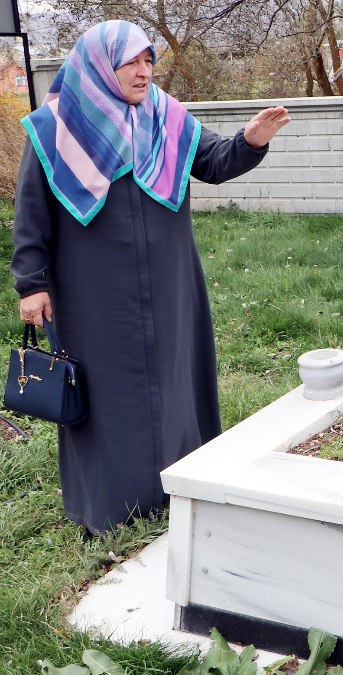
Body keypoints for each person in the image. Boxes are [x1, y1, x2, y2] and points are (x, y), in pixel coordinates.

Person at [10, 20, 290, 535]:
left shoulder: (167, 115)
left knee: (173, 377)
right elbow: (32, 212)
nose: (144, 73)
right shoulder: (54, 127)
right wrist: (32, 282)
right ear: (100, 66)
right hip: (92, 290)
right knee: (106, 391)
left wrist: (251, 141)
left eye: (148, 61)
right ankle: (114, 505)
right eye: (131, 63)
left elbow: (212, 160)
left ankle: (183, 484)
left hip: (169, 283)